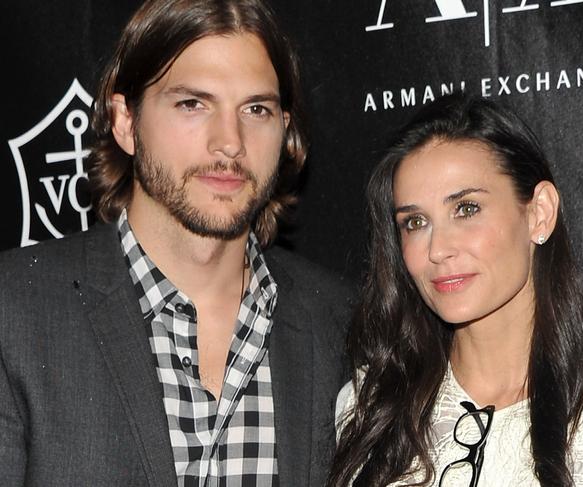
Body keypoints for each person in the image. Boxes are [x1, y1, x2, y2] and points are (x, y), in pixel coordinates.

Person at [0, 0, 351, 485]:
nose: (229, 141)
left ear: (284, 129)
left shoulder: (344, 324)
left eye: (256, 109)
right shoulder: (13, 311)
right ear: (126, 121)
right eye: (193, 104)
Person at [328, 94, 583, 486]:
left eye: (466, 209)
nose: (438, 249)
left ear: (539, 213)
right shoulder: (368, 408)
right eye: (415, 222)